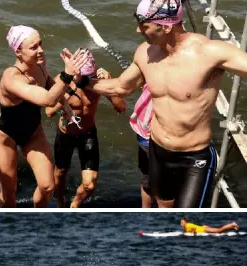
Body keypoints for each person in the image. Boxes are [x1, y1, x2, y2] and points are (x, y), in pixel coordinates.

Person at [88, 0, 247, 207]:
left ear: (166, 26)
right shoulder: (146, 53)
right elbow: (120, 87)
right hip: (158, 150)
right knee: (163, 209)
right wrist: (82, 82)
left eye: (144, 25)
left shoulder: (210, 53)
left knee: (186, 219)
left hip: (194, 157)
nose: (138, 30)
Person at [0, 26, 87, 207]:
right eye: (34, 47)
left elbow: (48, 83)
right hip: (5, 136)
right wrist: (67, 75)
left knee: (47, 186)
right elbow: (48, 100)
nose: (40, 50)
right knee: (9, 195)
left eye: (40, 44)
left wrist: (65, 104)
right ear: (18, 51)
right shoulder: (11, 77)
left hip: (33, 132)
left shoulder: (40, 63)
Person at [46, 51, 126, 207]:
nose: (86, 79)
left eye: (90, 74)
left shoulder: (97, 83)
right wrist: (68, 91)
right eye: (83, 76)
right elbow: (49, 112)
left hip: (88, 133)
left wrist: (109, 83)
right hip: (66, 134)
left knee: (90, 184)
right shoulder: (62, 81)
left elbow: (121, 108)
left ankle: (74, 205)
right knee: (61, 171)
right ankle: (60, 202)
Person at [129, 85, 155, 207]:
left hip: (168, 136)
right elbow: (123, 86)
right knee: (146, 181)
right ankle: (146, 210)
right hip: (144, 133)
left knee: (166, 188)